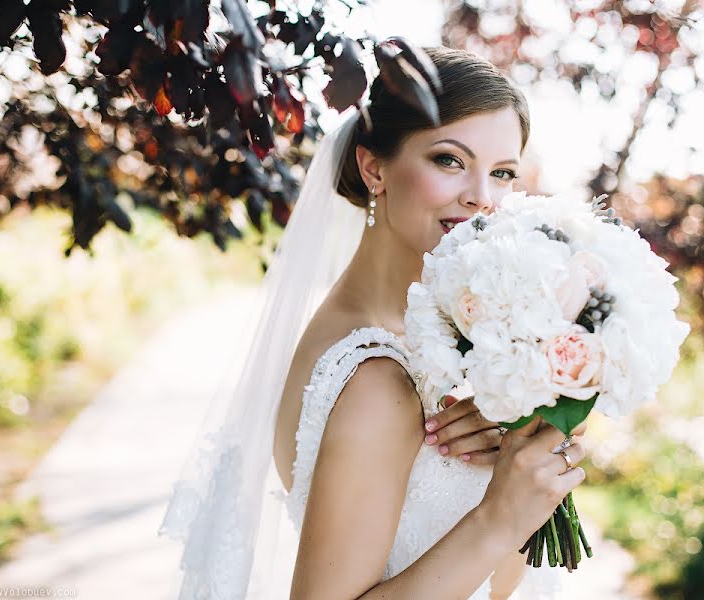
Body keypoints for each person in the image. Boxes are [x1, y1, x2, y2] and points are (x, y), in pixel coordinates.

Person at [160, 45, 587, 600]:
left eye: (502, 172)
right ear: (374, 167)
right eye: (449, 160)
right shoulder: (376, 378)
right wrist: (498, 519)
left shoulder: (428, 337)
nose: (483, 197)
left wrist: (541, 426)